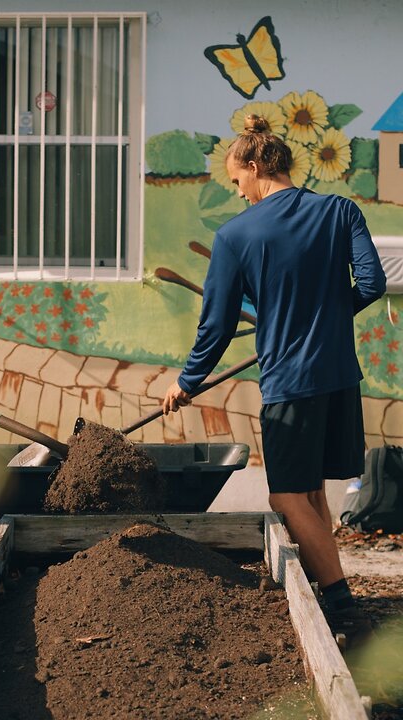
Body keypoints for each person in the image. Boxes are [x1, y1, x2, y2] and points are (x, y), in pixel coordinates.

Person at [161, 115, 385, 624]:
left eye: (236, 180)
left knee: (284, 492)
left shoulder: (236, 235)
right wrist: (324, 317)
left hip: (291, 381)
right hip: (340, 377)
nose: (237, 192)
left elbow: (215, 325)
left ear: (256, 166)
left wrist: (187, 380)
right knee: (309, 492)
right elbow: (370, 284)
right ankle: (322, 596)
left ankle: (342, 604)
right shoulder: (340, 211)